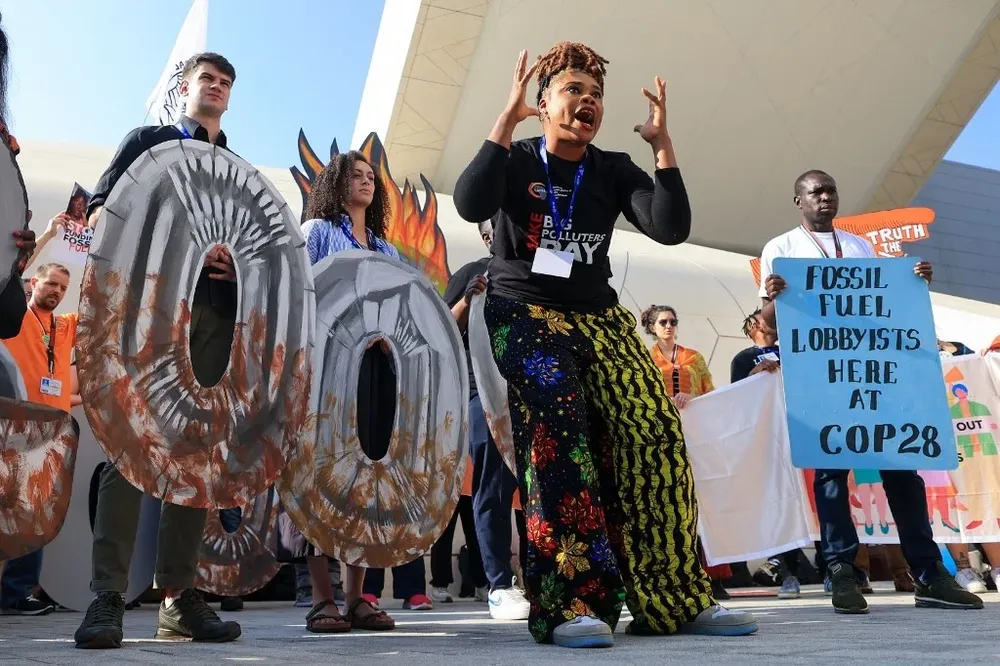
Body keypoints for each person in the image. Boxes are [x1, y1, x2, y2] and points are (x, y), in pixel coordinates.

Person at [452, 42, 757, 648]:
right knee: (560, 441)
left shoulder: (613, 167)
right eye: (572, 91)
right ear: (543, 106)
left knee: (656, 434)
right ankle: (569, 606)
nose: (587, 102)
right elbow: (468, 203)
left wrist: (661, 146)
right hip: (526, 313)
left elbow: (670, 228)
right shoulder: (515, 158)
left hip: (599, 316)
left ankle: (673, 597)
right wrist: (505, 119)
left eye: (595, 96)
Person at [73, 52, 243, 649]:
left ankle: (179, 596)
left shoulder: (236, 170)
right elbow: (102, 209)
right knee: (131, 447)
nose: (216, 89)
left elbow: (253, 248)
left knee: (195, 454)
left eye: (225, 83)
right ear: (185, 88)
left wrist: (231, 259)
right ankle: (107, 597)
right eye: (207, 80)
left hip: (214, 319)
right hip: (150, 313)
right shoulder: (147, 142)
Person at [758, 169, 982, 615]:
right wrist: (772, 297)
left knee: (902, 469)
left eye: (830, 190)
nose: (825, 198)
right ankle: (840, 571)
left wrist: (912, 279)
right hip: (822, 377)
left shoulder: (859, 246)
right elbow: (768, 321)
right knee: (831, 474)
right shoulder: (781, 249)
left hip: (874, 372)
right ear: (798, 200)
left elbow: (886, 302)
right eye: (815, 192)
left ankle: (928, 574)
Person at [280, 148, 400, 633]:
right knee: (321, 474)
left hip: (375, 371)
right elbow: (301, 294)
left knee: (366, 476)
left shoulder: (388, 250)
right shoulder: (315, 234)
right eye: (356, 174)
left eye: (372, 176)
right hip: (327, 368)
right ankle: (321, 598)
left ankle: (357, 599)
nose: (366, 182)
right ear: (335, 181)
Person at [440, 216, 530, 620]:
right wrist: (467, 299)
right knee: (493, 486)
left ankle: (548, 577)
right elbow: (442, 328)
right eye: (492, 230)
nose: (499, 235)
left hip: (537, 391)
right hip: (485, 392)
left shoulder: (542, 266)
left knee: (549, 486)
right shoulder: (472, 272)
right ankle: (499, 584)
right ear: (486, 236)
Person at [639, 304, 732, 597]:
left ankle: (712, 577)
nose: (669, 326)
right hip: (660, 435)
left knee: (699, 500)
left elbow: (709, 393)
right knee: (665, 502)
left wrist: (691, 397)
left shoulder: (694, 357)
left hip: (693, 434)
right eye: (663, 322)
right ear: (652, 327)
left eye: (673, 321)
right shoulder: (646, 358)